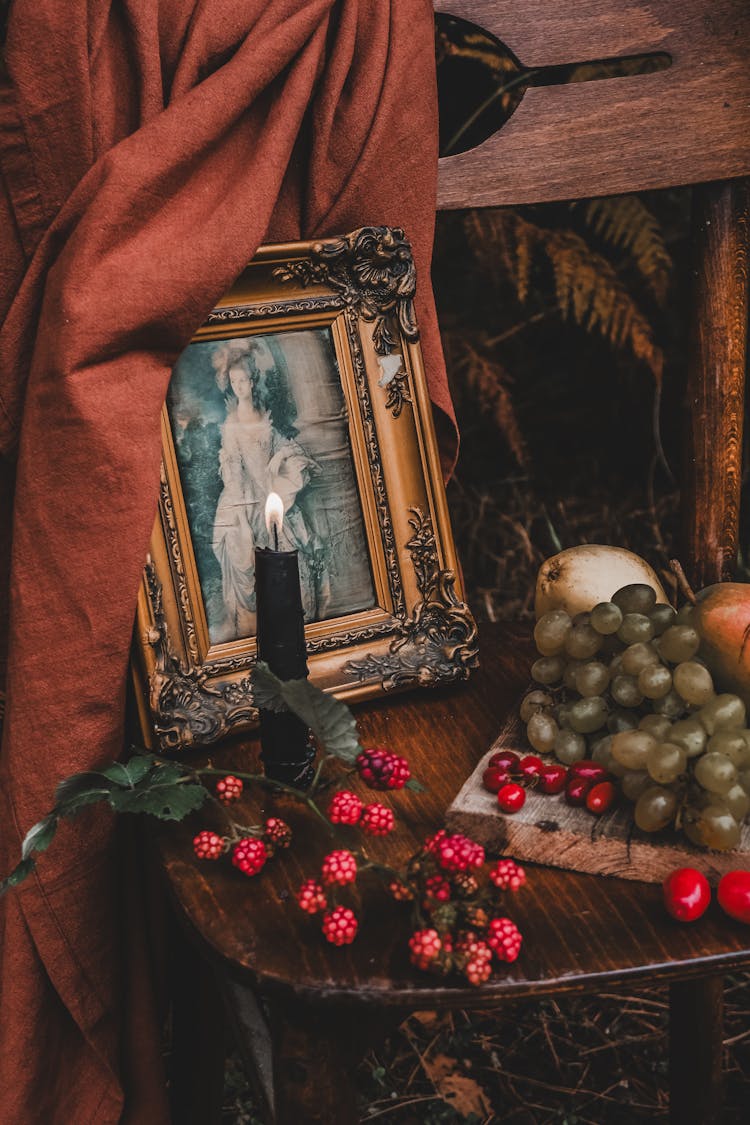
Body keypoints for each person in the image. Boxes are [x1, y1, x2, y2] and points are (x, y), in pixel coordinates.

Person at [210, 339, 330, 642]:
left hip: (271, 490)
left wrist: (282, 457)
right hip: (247, 495)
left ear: (252, 382)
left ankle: (308, 629)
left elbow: (279, 444)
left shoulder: (264, 418)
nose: (239, 386)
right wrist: (243, 506)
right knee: (247, 548)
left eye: (243, 380)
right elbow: (235, 473)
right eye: (234, 381)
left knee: (295, 547)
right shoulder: (231, 427)